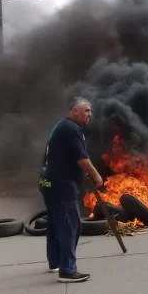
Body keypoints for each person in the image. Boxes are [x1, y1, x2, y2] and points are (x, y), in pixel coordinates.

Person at [39, 97, 104, 283]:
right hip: (62, 186)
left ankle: (55, 262)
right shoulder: (72, 129)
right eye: (86, 110)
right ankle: (67, 270)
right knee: (70, 226)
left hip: (48, 184)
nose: (90, 114)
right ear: (75, 111)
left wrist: (78, 173)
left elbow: (60, 156)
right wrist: (97, 176)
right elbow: (82, 159)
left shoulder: (60, 126)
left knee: (54, 224)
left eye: (90, 111)